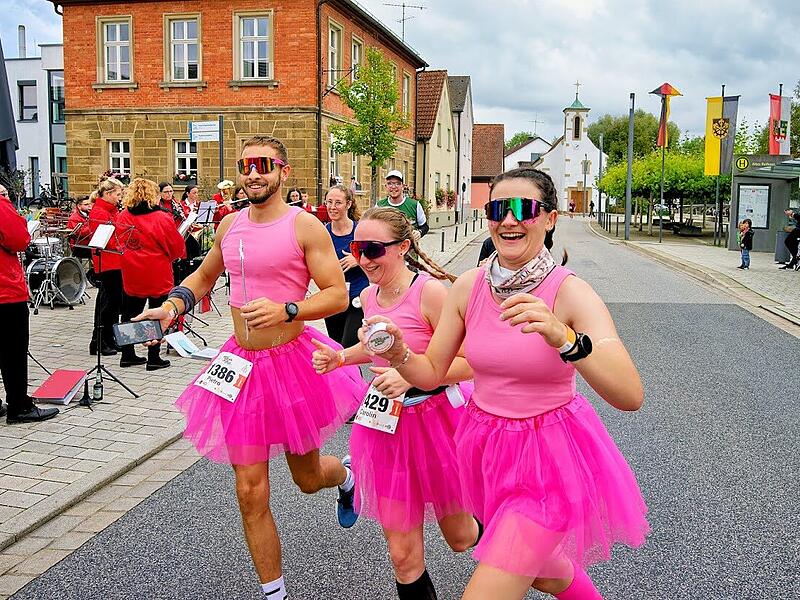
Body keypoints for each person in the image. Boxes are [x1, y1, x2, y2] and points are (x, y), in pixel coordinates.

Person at [361, 167, 649, 600]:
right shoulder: (468, 287)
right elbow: (431, 373)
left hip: (546, 460)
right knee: (546, 572)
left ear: (550, 218)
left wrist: (565, 338)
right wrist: (399, 352)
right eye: (499, 208)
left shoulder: (569, 293)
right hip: (486, 452)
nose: (509, 219)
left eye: (524, 209)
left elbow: (629, 394)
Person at [134, 136, 364, 600]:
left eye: (263, 165)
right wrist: (171, 306)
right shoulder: (229, 225)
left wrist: (289, 310)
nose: (252, 173)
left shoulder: (305, 227)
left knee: (306, 479)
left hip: (291, 363)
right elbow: (203, 277)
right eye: (245, 165)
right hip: (239, 366)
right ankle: (274, 593)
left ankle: (346, 477)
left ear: (284, 171)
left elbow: (337, 295)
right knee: (250, 490)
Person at [312, 206, 479, 599]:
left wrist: (410, 373)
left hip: (438, 422)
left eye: (373, 249)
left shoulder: (432, 293)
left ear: (403, 247)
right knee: (402, 555)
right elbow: (375, 349)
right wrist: (339, 357)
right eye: (357, 249)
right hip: (387, 427)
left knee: (459, 537)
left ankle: (505, 547)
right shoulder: (369, 296)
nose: (364, 259)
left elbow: (472, 361)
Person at [0, 184, 60, 424]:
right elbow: (19, 240)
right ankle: (19, 406)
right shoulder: (1, 207)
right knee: (13, 351)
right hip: (4, 291)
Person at [116, 178, 186, 370]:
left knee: (130, 312)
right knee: (158, 311)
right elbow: (175, 246)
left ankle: (127, 354)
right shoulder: (161, 217)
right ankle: (154, 357)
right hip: (156, 270)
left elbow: (119, 242)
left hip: (131, 269)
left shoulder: (123, 216)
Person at [321, 185, 368, 348]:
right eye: (329, 202)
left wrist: (359, 260)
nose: (332, 207)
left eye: (338, 203)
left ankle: (354, 375)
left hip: (357, 298)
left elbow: (380, 260)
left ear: (348, 204)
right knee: (336, 349)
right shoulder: (322, 233)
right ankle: (350, 375)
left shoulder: (361, 230)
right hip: (333, 299)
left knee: (348, 347)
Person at [85, 177, 126, 356]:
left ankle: (109, 338)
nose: (120, 198)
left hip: (115, 261)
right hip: (107, 261)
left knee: (114, 303)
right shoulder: (100, 212)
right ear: (108, 194)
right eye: (118, 194)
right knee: (107, 304)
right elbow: (107, 239)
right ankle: (99, 341)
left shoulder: (110, 210)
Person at [377, 170, 428, 240]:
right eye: (389, 184)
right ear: (386, 187)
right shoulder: (379, 206)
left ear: (403, 186)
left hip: (409, 248)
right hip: (386, 248)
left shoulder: (415, 205)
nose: (393, 187)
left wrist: (419, 232)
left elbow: (425, 227)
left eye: (397, 184)